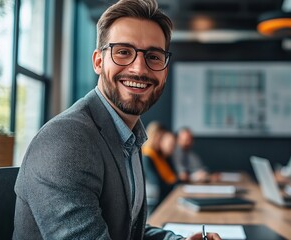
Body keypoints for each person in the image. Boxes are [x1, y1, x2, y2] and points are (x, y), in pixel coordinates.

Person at [13, 1, 221, 239]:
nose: (139, 69)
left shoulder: (129, 138)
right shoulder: (66, 141)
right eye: (123, 52)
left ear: (165, 69)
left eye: (153, 56)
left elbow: (127, 231)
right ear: (98, 61)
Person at [142, 122, 177, 209]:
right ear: (153, 136)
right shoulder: (146, 155)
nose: (162, 141)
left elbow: (174, 176)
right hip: (155, 201)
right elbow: (157, 184)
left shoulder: (161, 155)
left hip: (166, 197)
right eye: (160, 137)